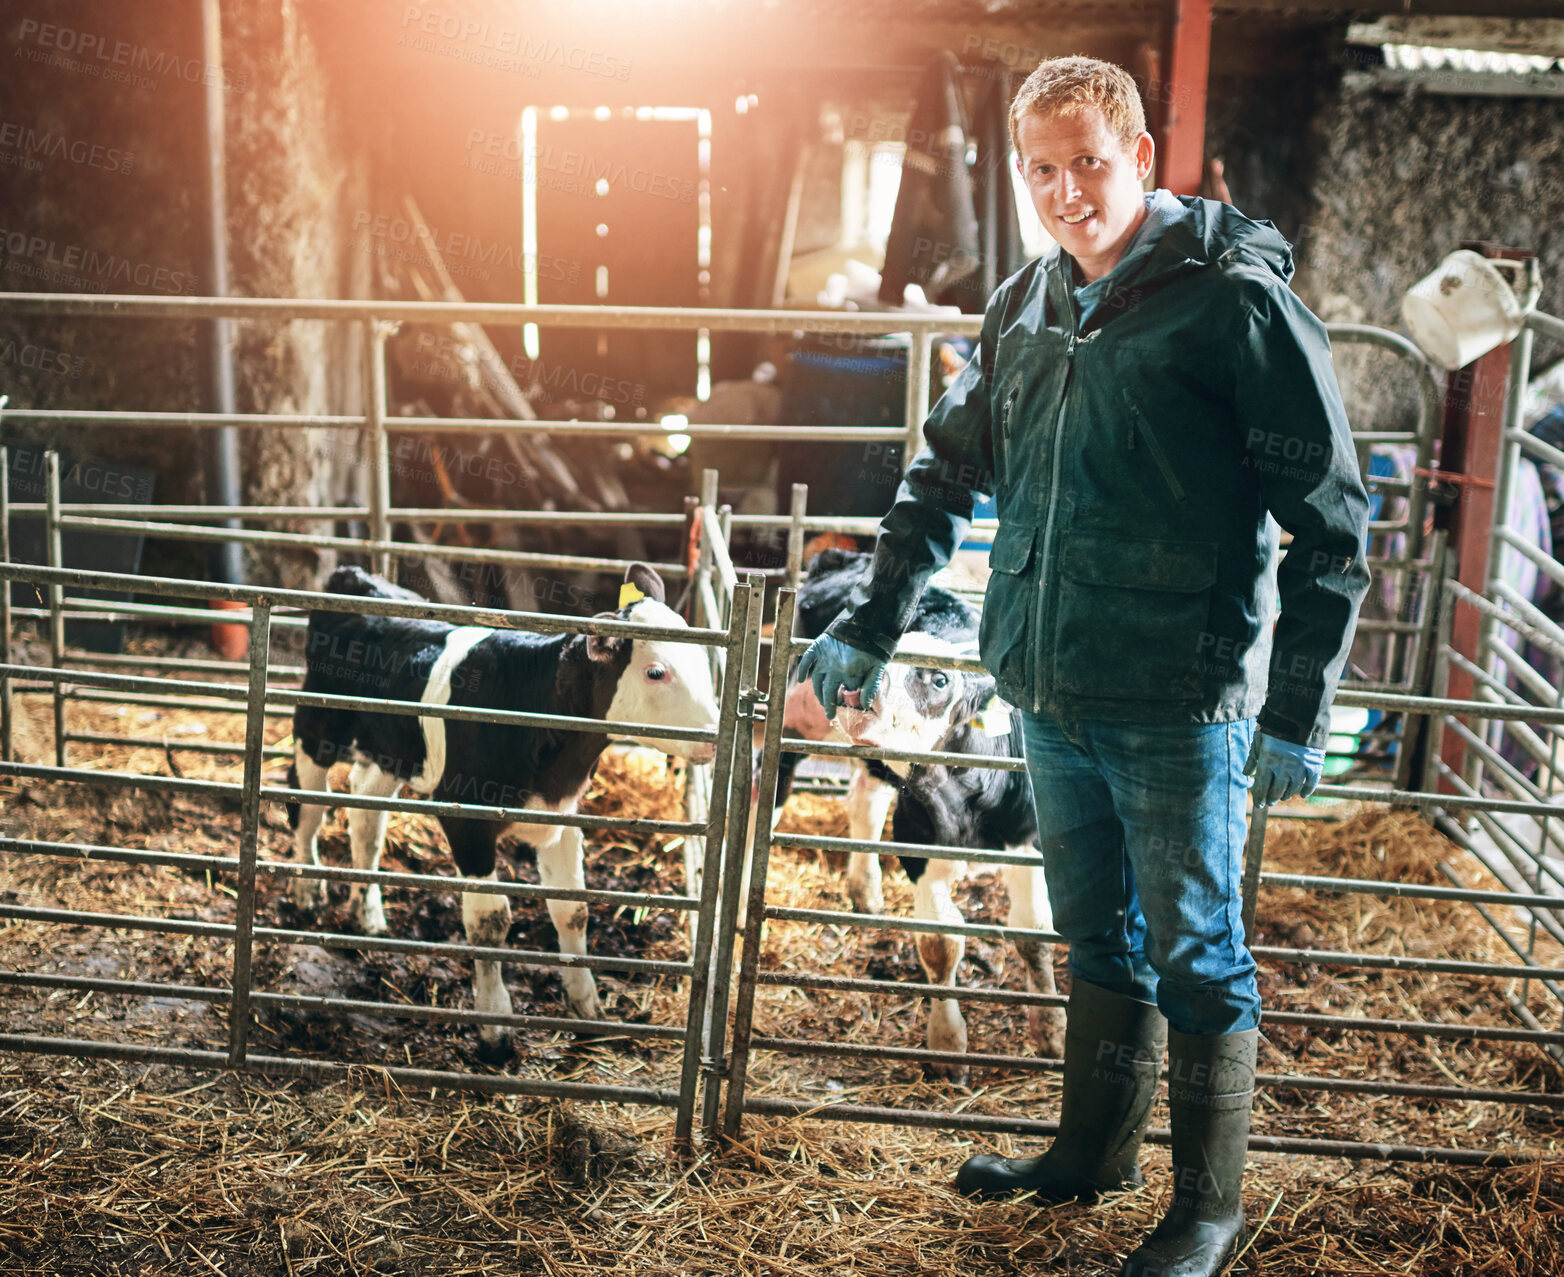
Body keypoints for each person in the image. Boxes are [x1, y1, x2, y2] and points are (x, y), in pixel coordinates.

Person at [798, 56, 1370, 1277]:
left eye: (1089, 164)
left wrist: (1295, 705)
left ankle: (1204, 1209)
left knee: (1197, 950)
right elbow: (942, 476)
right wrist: (869, 622)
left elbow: (1330, 516)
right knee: (1095, 937)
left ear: (1142, 160)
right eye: (1042, 171)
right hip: (1048, 690)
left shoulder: (1231, 305)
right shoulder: (1025, 305)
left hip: (1179, 700)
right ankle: (1090, 1152)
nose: (1068, 193)